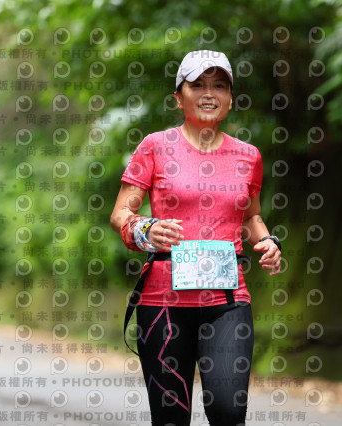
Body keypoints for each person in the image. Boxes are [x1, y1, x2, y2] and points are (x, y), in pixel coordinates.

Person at [110, 50, 282, 426]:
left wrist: (268, 241)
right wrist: (145, 229)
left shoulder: (248, 156)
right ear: (178, 97)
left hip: (228, 301)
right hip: (163, 303)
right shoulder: (154, 146)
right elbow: (121, 213)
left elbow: (250, 216)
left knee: (228, 410)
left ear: (230, 99)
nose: (208, 93)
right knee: (171, 417)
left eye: (219, 85)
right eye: (198, 85)